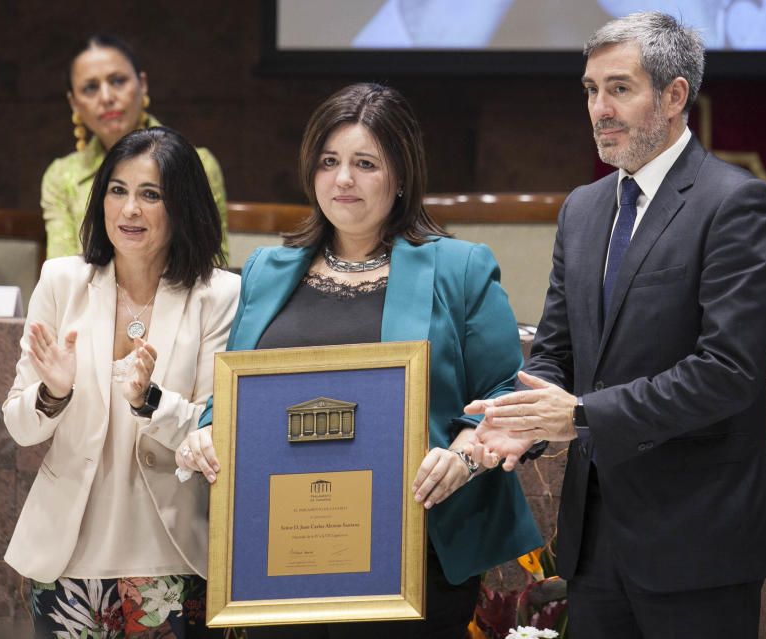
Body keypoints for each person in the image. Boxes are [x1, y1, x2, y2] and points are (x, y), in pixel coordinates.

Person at [177, 82, 542, 638]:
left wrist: (464, 455)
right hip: (282, 551)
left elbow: (505, 393)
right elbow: (239, 391)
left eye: (365, 163)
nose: (343, 179)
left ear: (400, 176)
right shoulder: (264, 270)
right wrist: (207, 430)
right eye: (329, 161)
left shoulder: (460, 268)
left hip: (414, 550)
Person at [466, 11, 766, 639]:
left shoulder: (735, 203)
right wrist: (521, 424)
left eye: (619, 88)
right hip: (594, 544)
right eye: (590, 90)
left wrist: (581, 415)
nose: (599, 109)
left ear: (673, 96)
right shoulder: (583, 211)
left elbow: (727, 374)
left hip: (698, 541)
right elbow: (554, 352)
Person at [3, 127, 238, 638]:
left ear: (184, 206)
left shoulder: (218, 295)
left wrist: (149, 400)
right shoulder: (62, 281)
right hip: (67, 556)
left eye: (150, 195)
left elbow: (215, 428)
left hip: (170, 553)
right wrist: (53, 393)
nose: (130, 209)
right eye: (118, 190)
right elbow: (21, 428)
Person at [42, 34, 228, 260]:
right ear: (74, 103)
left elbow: (213, 265)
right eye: (91, 88)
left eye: (118, 81)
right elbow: (60, 273)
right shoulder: (61, 176)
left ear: (143, 84)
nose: (107, 97)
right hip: (89, 295)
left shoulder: (198, 164)